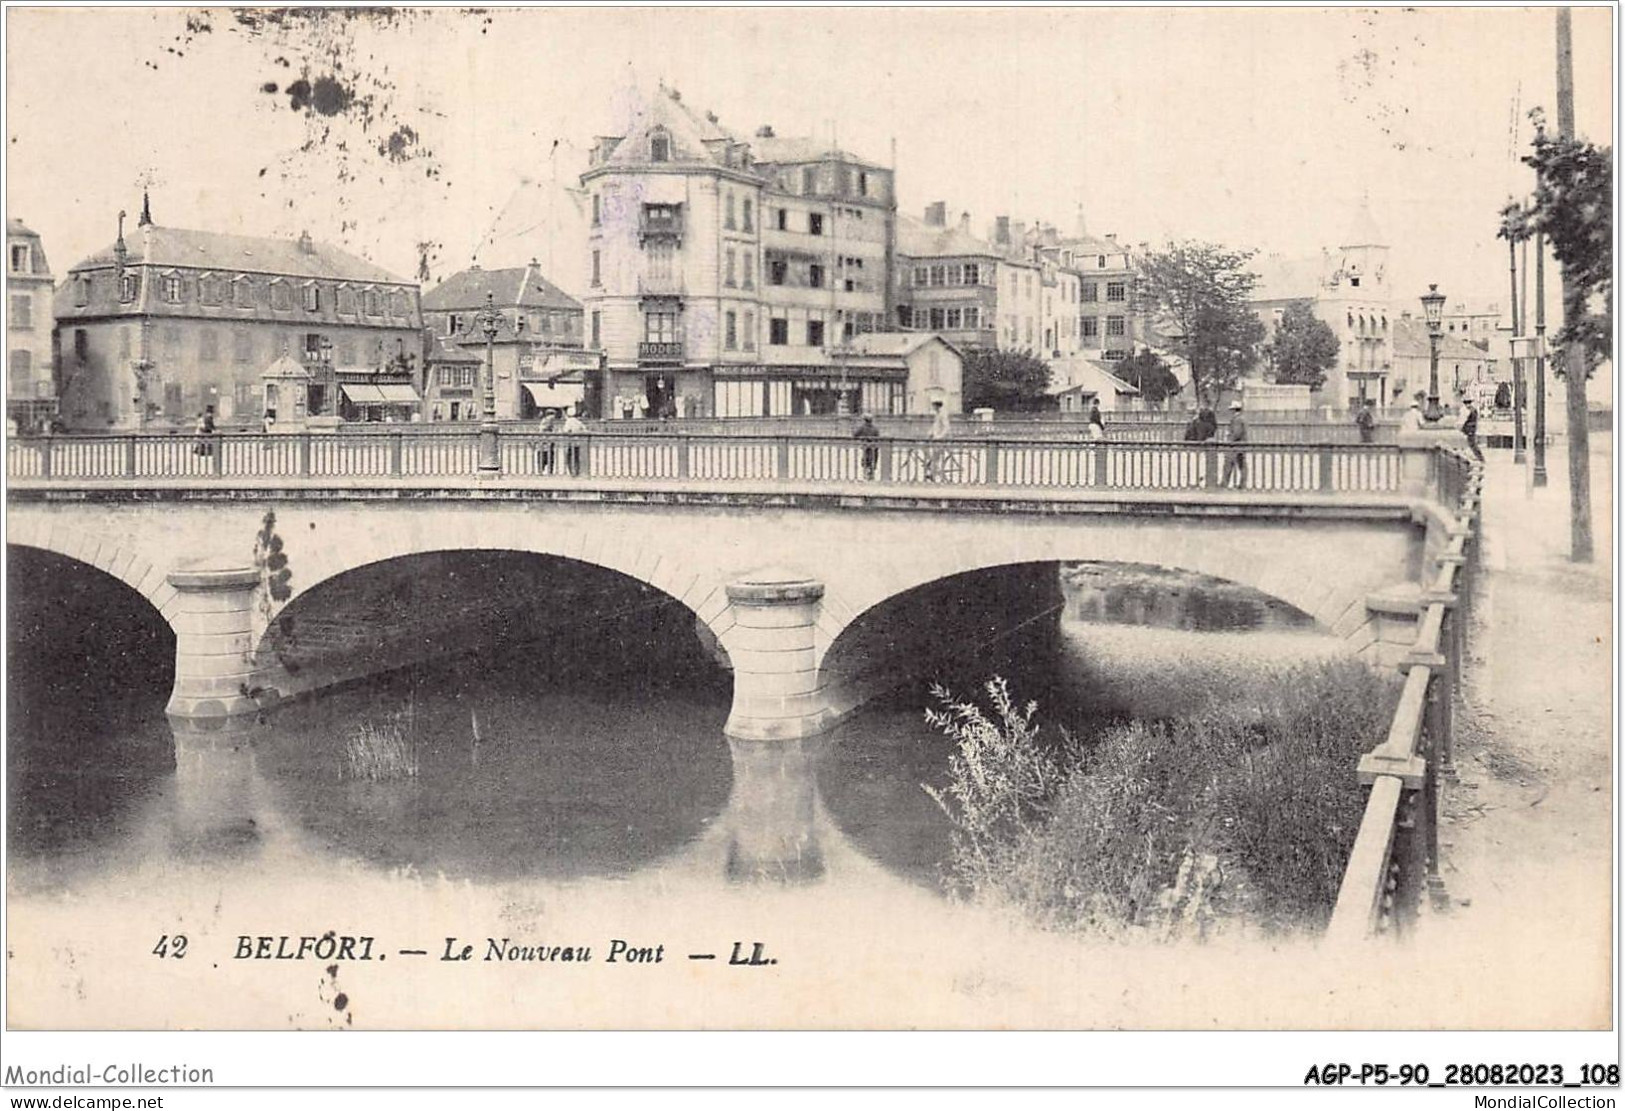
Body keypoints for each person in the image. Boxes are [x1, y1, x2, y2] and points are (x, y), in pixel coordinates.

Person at [1220, 400, 1247, 489]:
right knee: (1241, 465)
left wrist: (1229, 440)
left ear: (1234, 410)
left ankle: (1225, 483)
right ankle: (1242, 484)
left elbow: (1236, 433)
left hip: (1235, 446)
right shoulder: (1241, 418)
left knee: (1228, 464)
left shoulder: (1237, 419)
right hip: (1240, 445)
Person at [925, 399, 951, 481]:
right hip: (935, 439)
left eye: (933, 405)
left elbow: (946, 427)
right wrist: (930, 433)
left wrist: (940, 436)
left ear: (936, 405)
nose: (932, 407)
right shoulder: (938, 414)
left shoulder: (943, 414)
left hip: (939, 440)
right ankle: (933, 472)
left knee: (936, 457)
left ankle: (934, 474)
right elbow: (935, 426)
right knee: (933, 456)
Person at [854, 414, 881, 480]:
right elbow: (878, 437)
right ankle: (871, 471)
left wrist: (861, 439)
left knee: (866, 459)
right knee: (873, 459)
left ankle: (866, 472)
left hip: (866, 446)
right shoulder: (875, 428)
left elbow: (855, 435)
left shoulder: (862, 427)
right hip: (874, 446)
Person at [561, 408, 587, 475]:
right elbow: (584, 430)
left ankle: (572, 472)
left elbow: (566, 431)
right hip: (578, 442)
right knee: (576, 458)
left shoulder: (569, 422)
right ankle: (577, 471)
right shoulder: (578, 422)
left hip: (570, 443)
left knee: (569, 458)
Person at [1460, 395, 1483, 462]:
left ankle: (1479, 458)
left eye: (1467, 403)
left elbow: (1466, 420)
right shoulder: (1473, 410)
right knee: (1472, 444)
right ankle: (1478, 457)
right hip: (1471, 429)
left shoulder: (1470, 411)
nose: (1467, 405)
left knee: (1472, 444)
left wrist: (1463, 428)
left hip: (1470, 429)